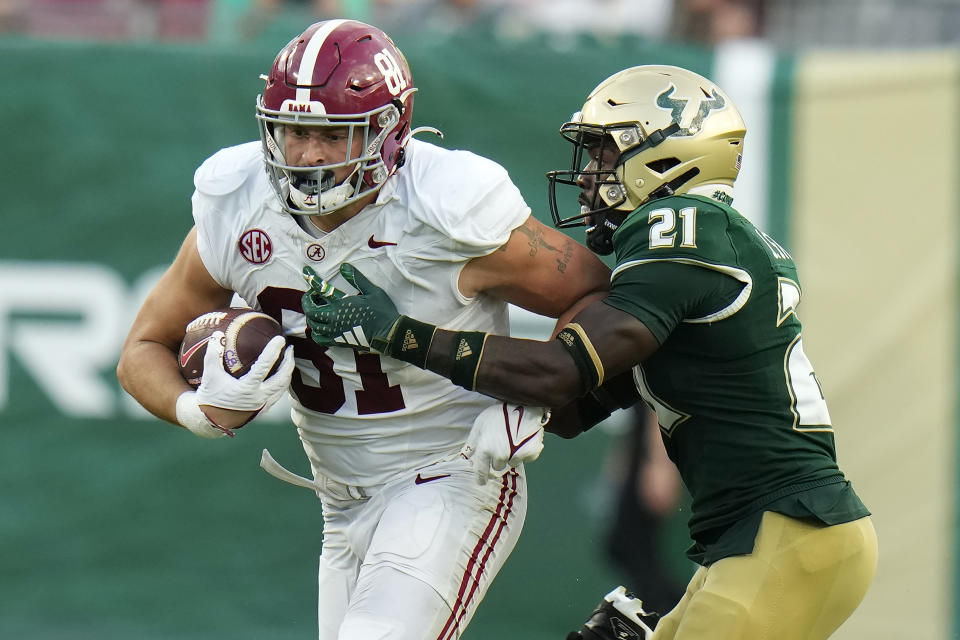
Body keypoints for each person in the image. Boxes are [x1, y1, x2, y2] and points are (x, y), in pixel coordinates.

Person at [299, 64, 879, 640]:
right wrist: (518, 416)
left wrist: (397, 332)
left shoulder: (684, 225)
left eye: (604, 156)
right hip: (764, 539)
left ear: (667, 159)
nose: (588, 177)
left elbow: (558, 371)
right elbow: (576, 403)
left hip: (788, 533)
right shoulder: (696, 253)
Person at [116, 19, 610, 640]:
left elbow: (593, 293)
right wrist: (198, 410)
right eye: (296, 132)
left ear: (389, 132)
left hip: (451, 470)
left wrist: (537, 399)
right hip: (339, 498)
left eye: (333, 134)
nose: (310, 155)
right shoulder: (237, 200)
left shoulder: (443, 208)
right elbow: (142, 347)